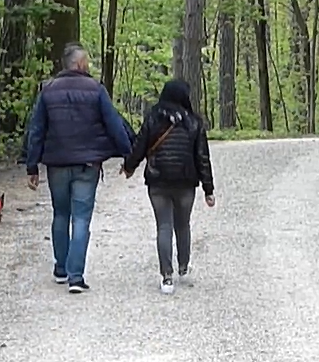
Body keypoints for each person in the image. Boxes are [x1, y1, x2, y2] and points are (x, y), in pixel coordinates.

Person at [24, 44, 133, 294]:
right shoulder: (96, 89)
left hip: (57, 164)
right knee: (81, 218)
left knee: (60, 214)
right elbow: (114, 124)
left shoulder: (48, 90)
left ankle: (60, 268)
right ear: (80, 64)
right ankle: (76, 277)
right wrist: (129, 156)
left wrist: (32, 165)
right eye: (87, 62)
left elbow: (36, 130)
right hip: (88, 164)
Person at [121, 79, 215, 295]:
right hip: (185, 181)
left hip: (158, 180)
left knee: (163, 226)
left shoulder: (153, 118)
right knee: (183, 225)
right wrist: (208, 189)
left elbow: (139, 146)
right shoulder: (193, 122)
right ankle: (183, 268)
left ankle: (167, 277)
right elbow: (202, 157)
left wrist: (128, 167)